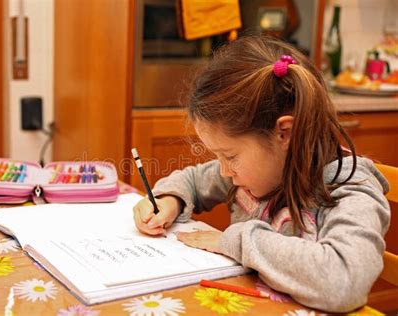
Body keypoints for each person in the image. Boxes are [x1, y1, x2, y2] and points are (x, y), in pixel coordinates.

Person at [132, 35, 390, 313]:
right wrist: (170, 200)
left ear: (284, 133)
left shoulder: (351, 187)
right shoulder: (249, 172)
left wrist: (238, 240)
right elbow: (192, 181)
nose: (223, 170)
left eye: (230, 156)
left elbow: (344, 279)